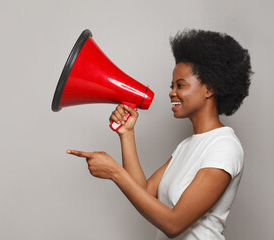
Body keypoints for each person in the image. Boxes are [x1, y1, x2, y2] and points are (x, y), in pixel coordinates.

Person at [67, 29, 252, 239]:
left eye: (180, 85)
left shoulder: (224, 147)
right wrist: (126, 134)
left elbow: (174, 224)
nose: (171, 92)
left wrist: (115, 173)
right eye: (172, 85)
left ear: (209, 89)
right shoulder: (186, 146)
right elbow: (143, 193)